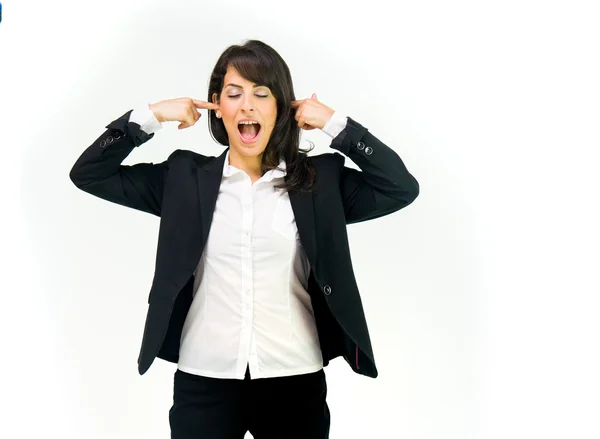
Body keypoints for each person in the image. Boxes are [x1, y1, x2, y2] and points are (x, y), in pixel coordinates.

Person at [69, 39, 419, 439]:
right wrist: (150, 117)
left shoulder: (318, 184)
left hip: (294, 379)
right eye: (234, 94)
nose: (247, 105)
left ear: (281, 107)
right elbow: (89, 174)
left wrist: (335, 124)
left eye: (261, 93)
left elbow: (399, 188)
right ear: (217, 105)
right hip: (205, 379)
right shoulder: (184, 178)